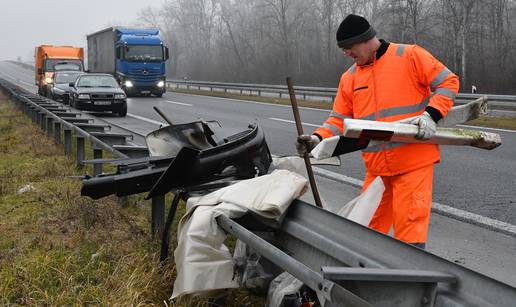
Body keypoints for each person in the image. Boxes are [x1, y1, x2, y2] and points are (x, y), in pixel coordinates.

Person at [296, 14, 459, 249]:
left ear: (365, 40)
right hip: (378, 169)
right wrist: (316, 138)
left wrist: (431, 115)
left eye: (348, 47)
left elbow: (448, 82)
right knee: (367, 234)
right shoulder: (350, 78)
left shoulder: (409, 55)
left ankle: (409, 283)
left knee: (409, 236)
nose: (346, 53)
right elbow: (338, 120)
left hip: (413, 163)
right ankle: (367, 282)